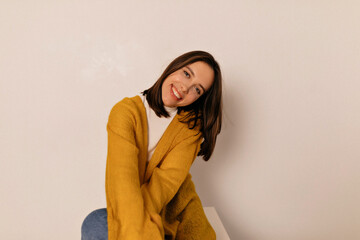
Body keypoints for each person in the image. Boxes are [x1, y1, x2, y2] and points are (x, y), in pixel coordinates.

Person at [81, 50, 222, 240]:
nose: (185, 88)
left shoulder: (190, 130)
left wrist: (137, 229)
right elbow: (122, 179)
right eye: (187, 74)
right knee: (94, 223)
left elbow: (164, 184)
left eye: (197, 89)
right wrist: (136, 227)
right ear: (173, 68)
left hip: (175, 221)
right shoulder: (125, 113)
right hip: (135, 213)